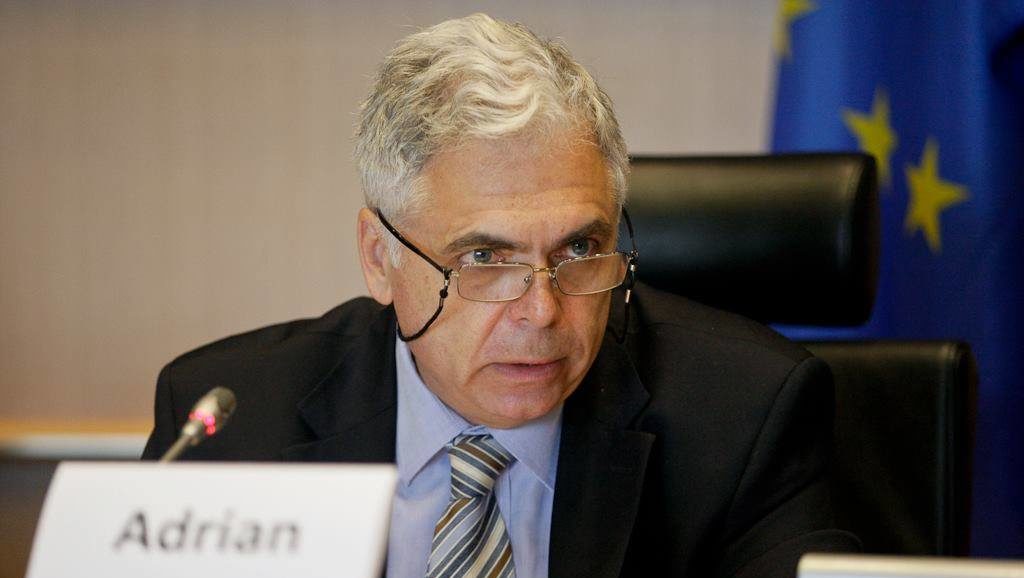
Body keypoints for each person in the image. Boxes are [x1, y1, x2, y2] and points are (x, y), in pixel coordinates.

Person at [142, 13, 858, 577]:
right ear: (380, 259)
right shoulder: (231, 424)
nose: (543, 312)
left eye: (579, 249)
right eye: (484, 259)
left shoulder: (744, 416)